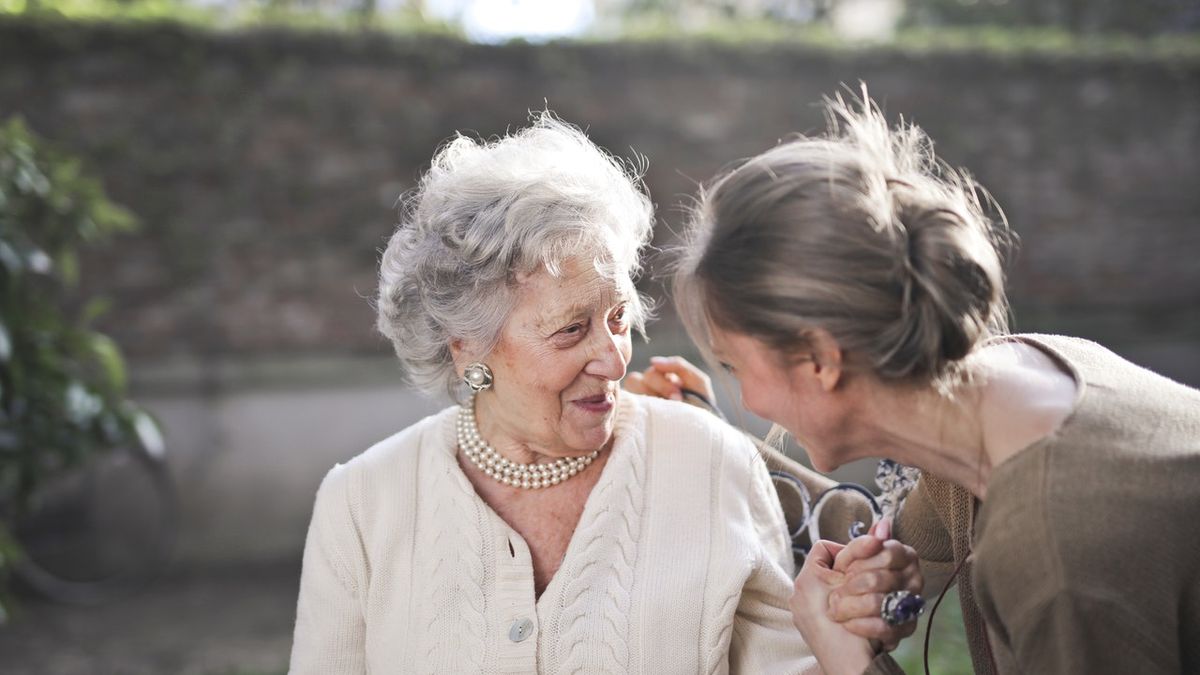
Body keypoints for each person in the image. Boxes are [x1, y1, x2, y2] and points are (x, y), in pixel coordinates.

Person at [288, 114, 920, 673]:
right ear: (466, 345)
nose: (615, 356)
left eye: (618, 317)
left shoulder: (708, 462)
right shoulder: (361, 504)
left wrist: (839, 636)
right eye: (570, 330)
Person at [669, 89, 1200, 674]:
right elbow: (905, 544)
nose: (748, 400)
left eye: (736, 368)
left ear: (819, 359)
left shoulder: (1058, 560)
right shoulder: (1019, 379)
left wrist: (849, 661)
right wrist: (882, 574)